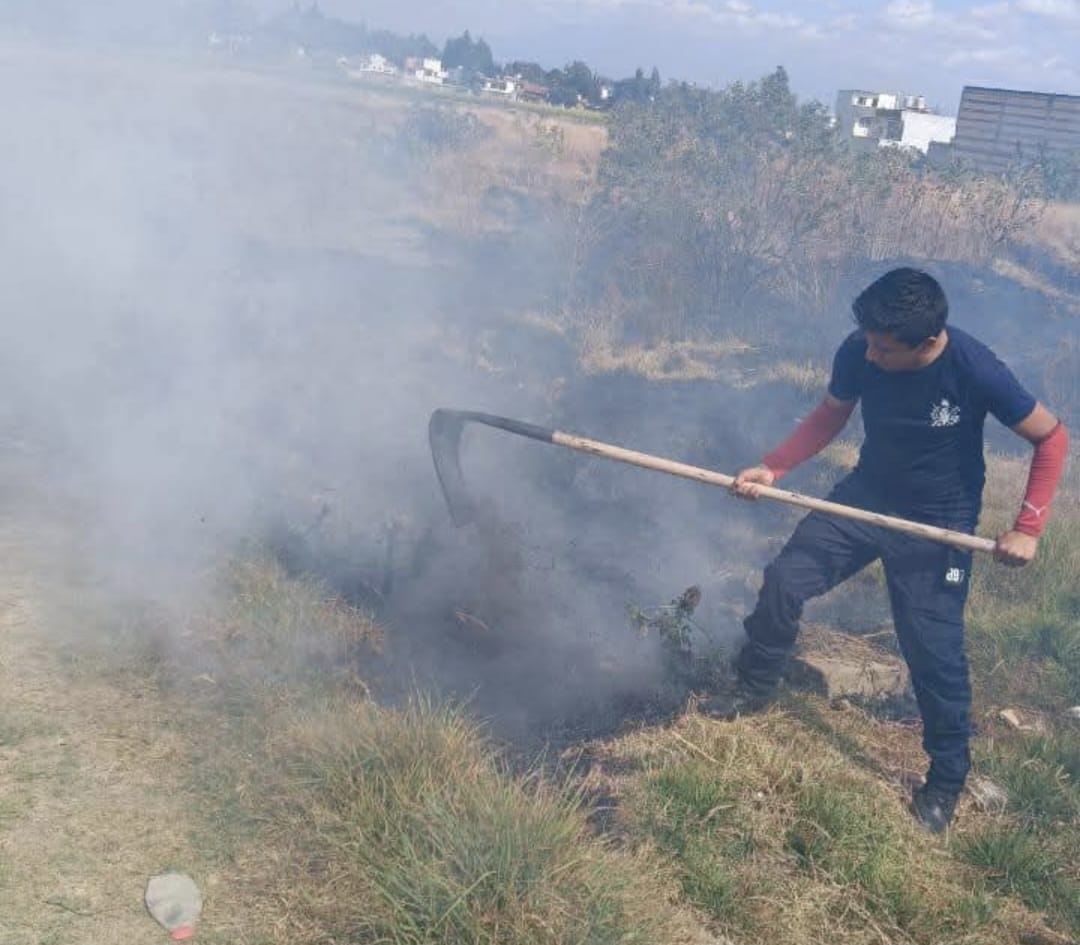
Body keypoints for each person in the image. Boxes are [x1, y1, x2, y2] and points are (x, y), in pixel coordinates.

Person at [725, 267, 1069, 833]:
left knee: (933, 649)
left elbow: (1051, 438)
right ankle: (754, 685)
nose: (871, 354)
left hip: (940, 521)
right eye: (868, 341)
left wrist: (1027, 528)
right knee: (786, 579)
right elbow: (830, 414)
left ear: (928, 341)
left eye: (884, 349)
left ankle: (946, 781)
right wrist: (775, 466)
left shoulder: (975, 368)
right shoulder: (860, 349)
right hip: (867, 496)